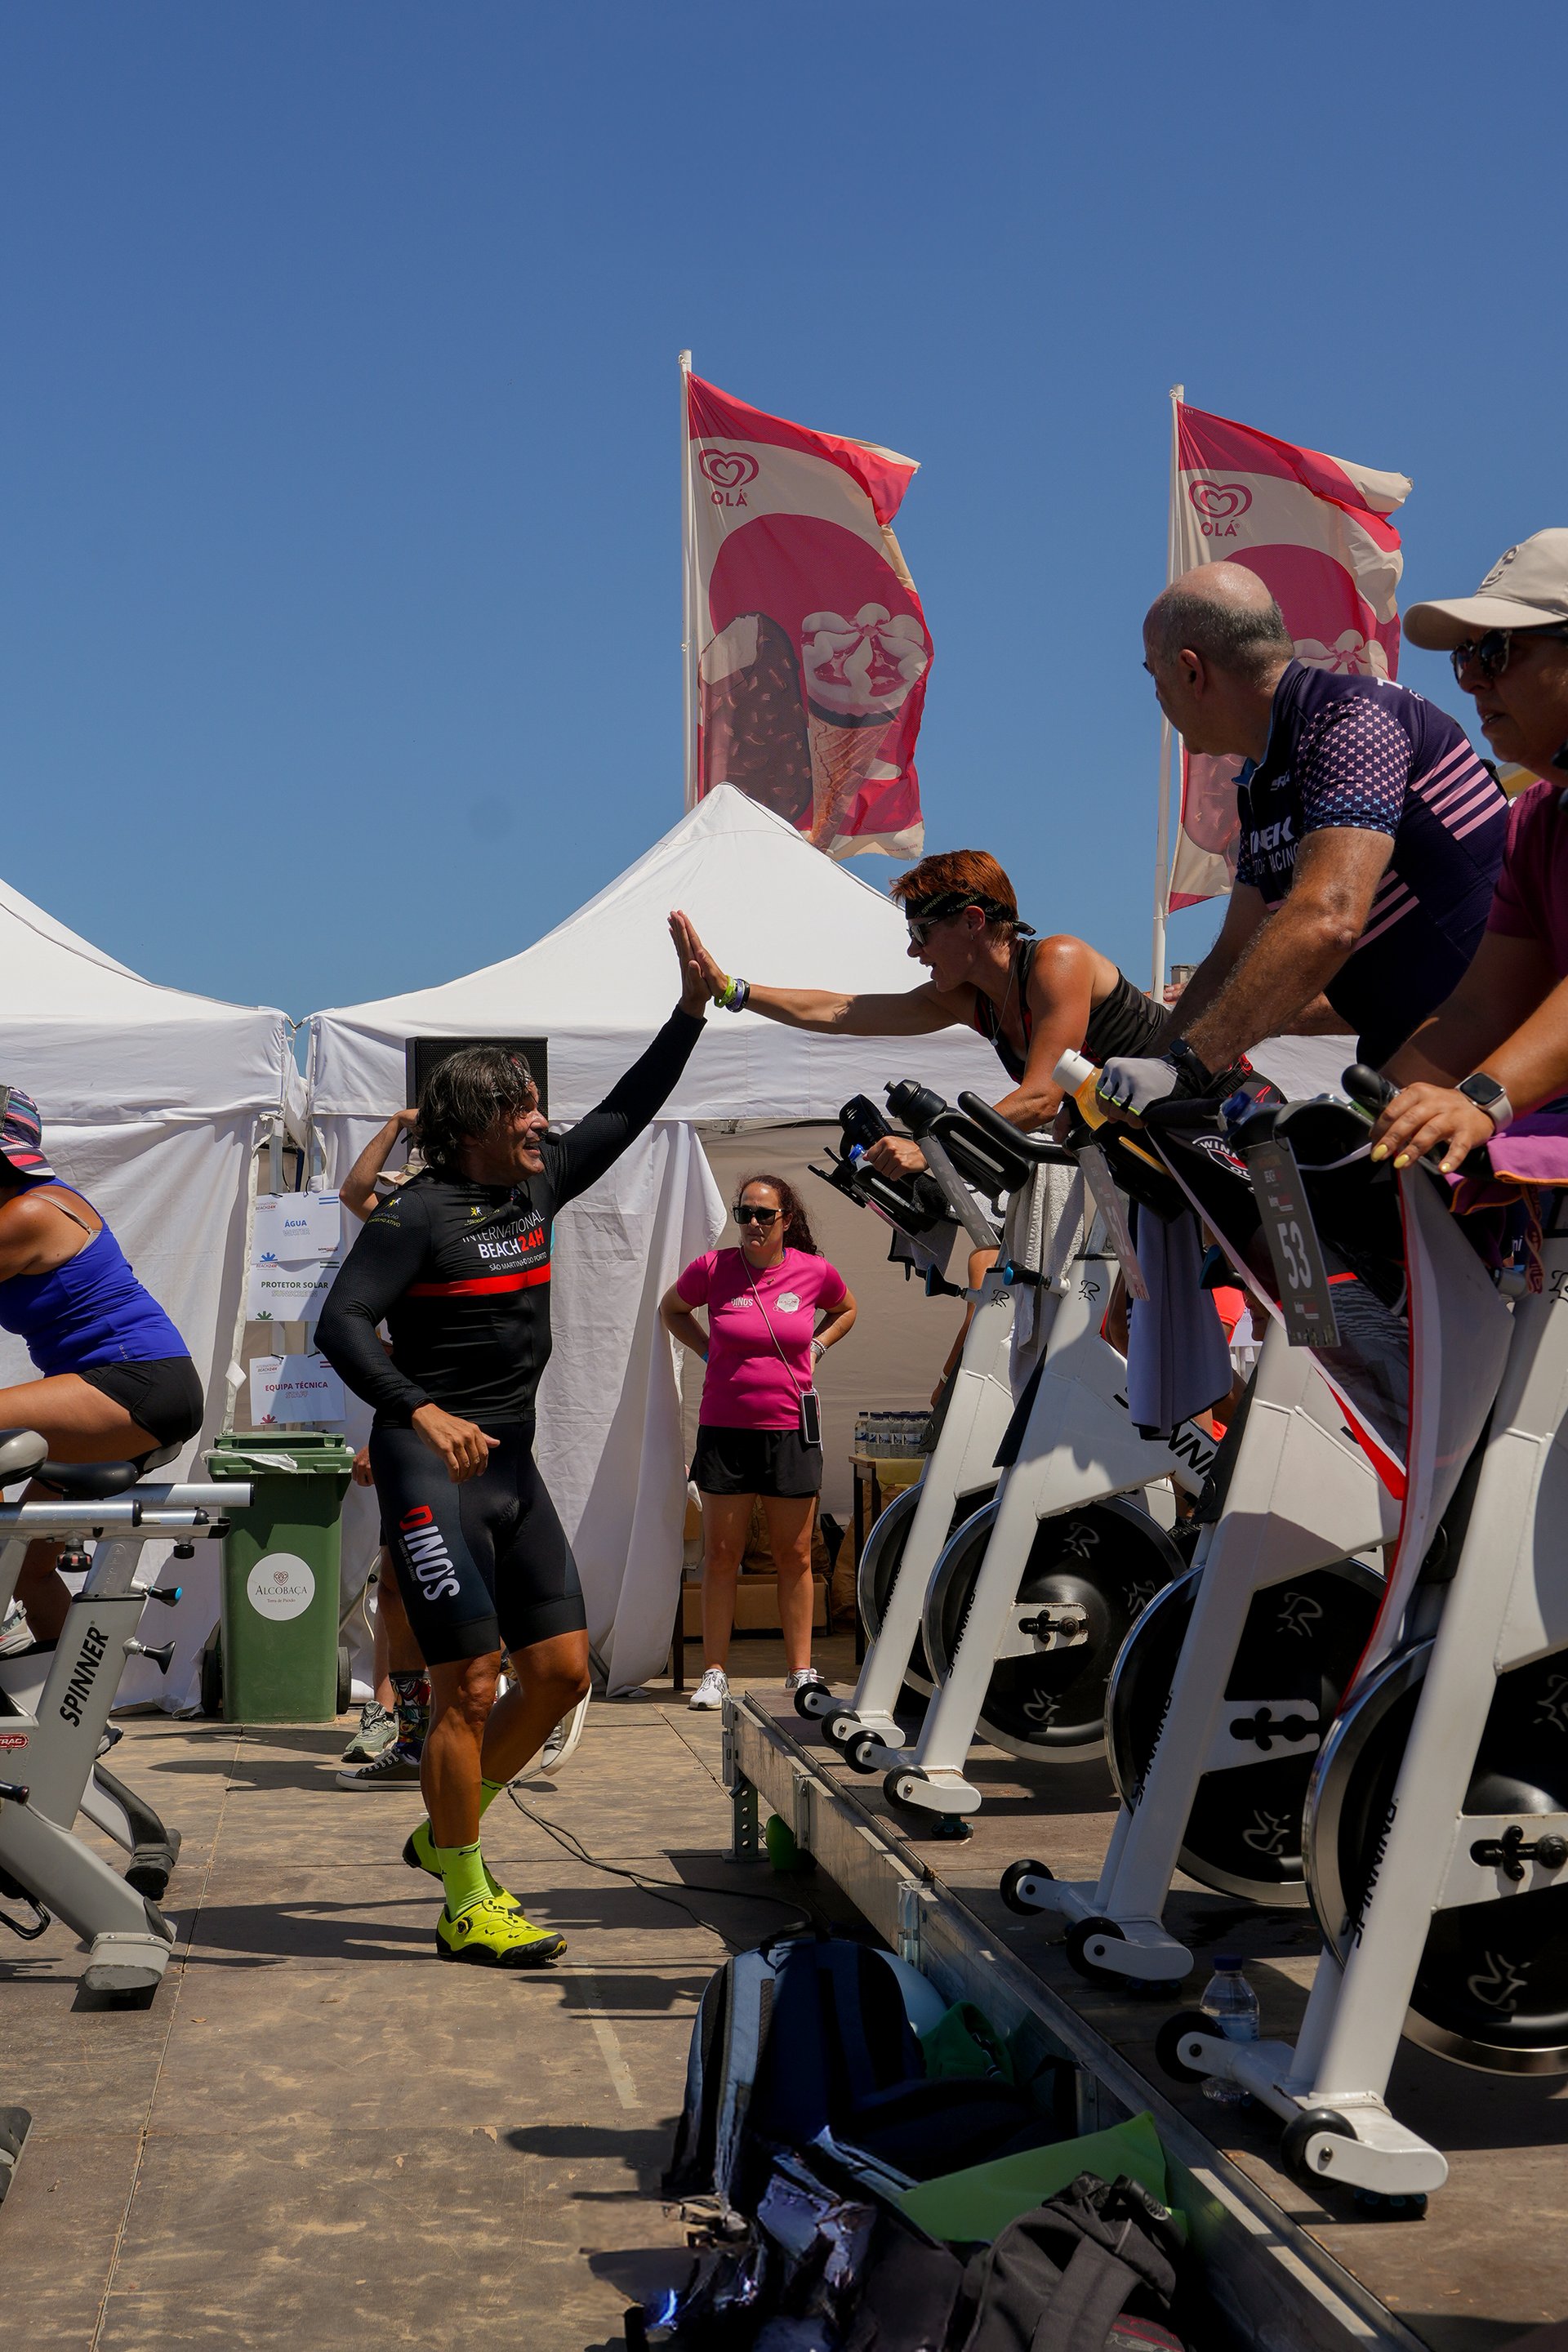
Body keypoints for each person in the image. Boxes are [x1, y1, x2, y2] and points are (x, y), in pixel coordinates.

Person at [316, 934, 709, 1967]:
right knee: (468, 1688)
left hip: (513, 1470)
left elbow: (628, 1111)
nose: (542, 1120)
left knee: (564, 1675)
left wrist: (691, 1013)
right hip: (429, 1466)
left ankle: (447, 1828)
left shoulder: (538, 1182)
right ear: (475, 1127)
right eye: (521, 1108)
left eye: (537, 1105)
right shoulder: (414, 1216)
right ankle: (463, 1897)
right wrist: (418, 1409)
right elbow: (343, 1327)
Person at [1097, 563, 1510, 1119]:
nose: (1156, 694)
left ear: (1191, 671)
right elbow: (1230, 956)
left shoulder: (1354, 719)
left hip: (1503, 1057)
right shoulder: (1260, 782)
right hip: (1423, 1060)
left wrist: (1186, 1068)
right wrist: (1128, 1086)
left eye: (1154, 673)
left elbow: (1328, 918)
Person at [669, 848, 1166, 1181]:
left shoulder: (1058, 960)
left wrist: (933, 1149)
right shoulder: (967, 998)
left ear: (973, 921)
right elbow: (838, 1011)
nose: (913, 951)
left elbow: (1039, 1100)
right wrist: (733, 989)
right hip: (1152, 1159)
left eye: (922, 933)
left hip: (1210, 1122)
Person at [1360, 530, 1568, 1170]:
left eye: (1500, 650)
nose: (1473, 677)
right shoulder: (1535, 819)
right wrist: (1359, 1127)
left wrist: (1480, 1101)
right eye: (1466, 653)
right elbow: (1477, 1009)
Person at [0, 1089, 204, 1642]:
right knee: (25, 1570)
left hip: (137, 1383)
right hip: (134, 1387)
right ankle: (80, 1725)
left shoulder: (27, 1213)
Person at [661, 1176, 857, 1711]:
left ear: (786, 1219)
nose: (752, 1222)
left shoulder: (813, 1271)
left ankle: (800, 1671)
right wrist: (707, 1353)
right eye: (744, 1212)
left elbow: (847, 1310)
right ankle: (715, 1673)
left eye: (763, 1214)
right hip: (725, 1430)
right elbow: (671, 1309)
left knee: (793, 1555)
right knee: (722, 1555)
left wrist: (817, 1344)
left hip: (791, 1431)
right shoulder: (713, 1269)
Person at [332, 1109, 434, 1780]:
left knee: (466, 1573)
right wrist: (398, 1123)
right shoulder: (401, 1224)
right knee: (395, 1582)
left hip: (474, 1413)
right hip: (411, 1412)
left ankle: (479, 1705)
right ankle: (397, 1717)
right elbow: (353, 1191)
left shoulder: (501, 1214)